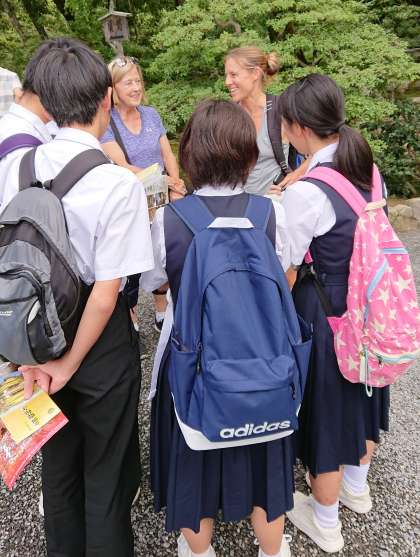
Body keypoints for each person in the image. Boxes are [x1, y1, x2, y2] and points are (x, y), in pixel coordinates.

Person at [4, 38, 154, 556]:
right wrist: (69, 366)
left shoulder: (14, 167)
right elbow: (107, 294)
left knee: (58, 469)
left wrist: (32, 358)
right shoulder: (118, 184)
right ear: (107, 99)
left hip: (34, 334)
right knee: (106, 472)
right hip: (99, 345)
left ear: (44, 100)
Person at [141, 99, 294, 557]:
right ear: (248, 153)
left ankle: (200, 550)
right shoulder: (270, 212)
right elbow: (283, 268)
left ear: (190, 153)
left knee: (194, 462)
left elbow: (152, 281)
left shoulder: (169, 219)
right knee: (267, 463)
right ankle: (273, 550)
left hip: (192, 361)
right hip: (264, 360)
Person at [279, 74, 390, 553]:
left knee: (326, 411)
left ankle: (325, 520)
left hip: (327, 310)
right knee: (364, 394)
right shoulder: (368, 168)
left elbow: (287, 264)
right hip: (370, 306)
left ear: (300, 128)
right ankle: (356, 489)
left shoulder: (309, 191)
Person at [101, 56, 184, 332]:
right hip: (131, 202)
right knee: (132, 263)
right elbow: (122, 166)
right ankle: (130, 314)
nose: (136, 88)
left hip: (162, 198)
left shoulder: (151, 114)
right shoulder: (107, 121)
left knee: (165, 253)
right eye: (128, 83)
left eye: (138, 81)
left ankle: (161, 309)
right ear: (113, 88)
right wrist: (165, 181)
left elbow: (167, 154)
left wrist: (175, 182)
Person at [224, 46, 309, 196]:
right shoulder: (227, 115)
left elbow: (321, 148)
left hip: (274, 205)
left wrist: (295, 175)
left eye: (233, 75)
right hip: (236, 205)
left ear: (255, 74)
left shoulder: (281, 111)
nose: (227, 82)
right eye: (226, 75)